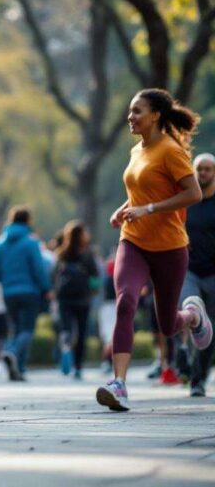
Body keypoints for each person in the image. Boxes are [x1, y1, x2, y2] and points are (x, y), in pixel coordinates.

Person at [98, 88, 211, 412]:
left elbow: (193, 194)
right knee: (125, 302)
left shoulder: (170, 151)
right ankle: (118, 384)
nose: (130, 117)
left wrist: (148, 209)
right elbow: (139, 191)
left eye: (137, 111)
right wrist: (124, 209)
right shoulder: (137, 151)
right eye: (130, 111)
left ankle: (192, 315)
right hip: (133, 241)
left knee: (166, 324)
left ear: (156, 115)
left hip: (170, 247)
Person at [0, 206, 50, 382]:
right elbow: (39, 269)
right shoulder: (31, 242)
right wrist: (46, 287)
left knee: (15, 329)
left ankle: (18, 369)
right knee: (26, 330)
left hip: (9, 292)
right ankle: (12, 352)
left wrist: (6, 282)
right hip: (29, 291)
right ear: (28, 221)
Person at [180, 153, 215, 397]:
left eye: (207, 169)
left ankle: (198, 377)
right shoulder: (185, 201)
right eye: (199, 169)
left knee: (209, 328)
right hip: (189, 270)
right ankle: (181, 354)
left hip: (213, 273)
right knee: (191, 314)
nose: (202, 173)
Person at [52, 220, 100, 380]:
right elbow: (95, 275)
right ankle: (78, 367)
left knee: (67, 328)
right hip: (83, 298)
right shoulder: (87, 254)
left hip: (64, 298)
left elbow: (54, 275)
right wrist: (94, 290)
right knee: (81, 332)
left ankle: (65, 343)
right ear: (81, 236)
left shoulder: (61, 253)